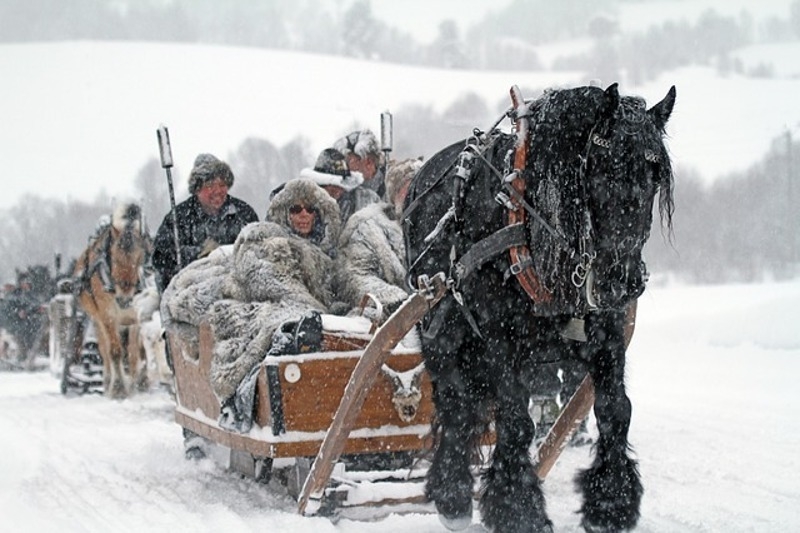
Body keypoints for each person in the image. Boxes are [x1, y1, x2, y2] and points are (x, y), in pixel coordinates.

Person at [152, 154, 258, 293]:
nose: (217, 191)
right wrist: (199, 253)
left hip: (237, 294)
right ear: (197, 189)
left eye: (222, 185)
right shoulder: (177, 220)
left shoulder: (243, 213)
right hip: (190, 296)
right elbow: (160, 259)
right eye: (210, 185)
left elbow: (259, 249)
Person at [299, 147, 381, 225]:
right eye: (332, 190)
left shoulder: (364, 200)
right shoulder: (303, 207)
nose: (337, 192)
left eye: (341, 187)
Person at [333, 129, 386, 198]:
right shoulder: (341, 189)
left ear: (368, 162)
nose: (344, 165)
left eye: (348, 160)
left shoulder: (394, 185)